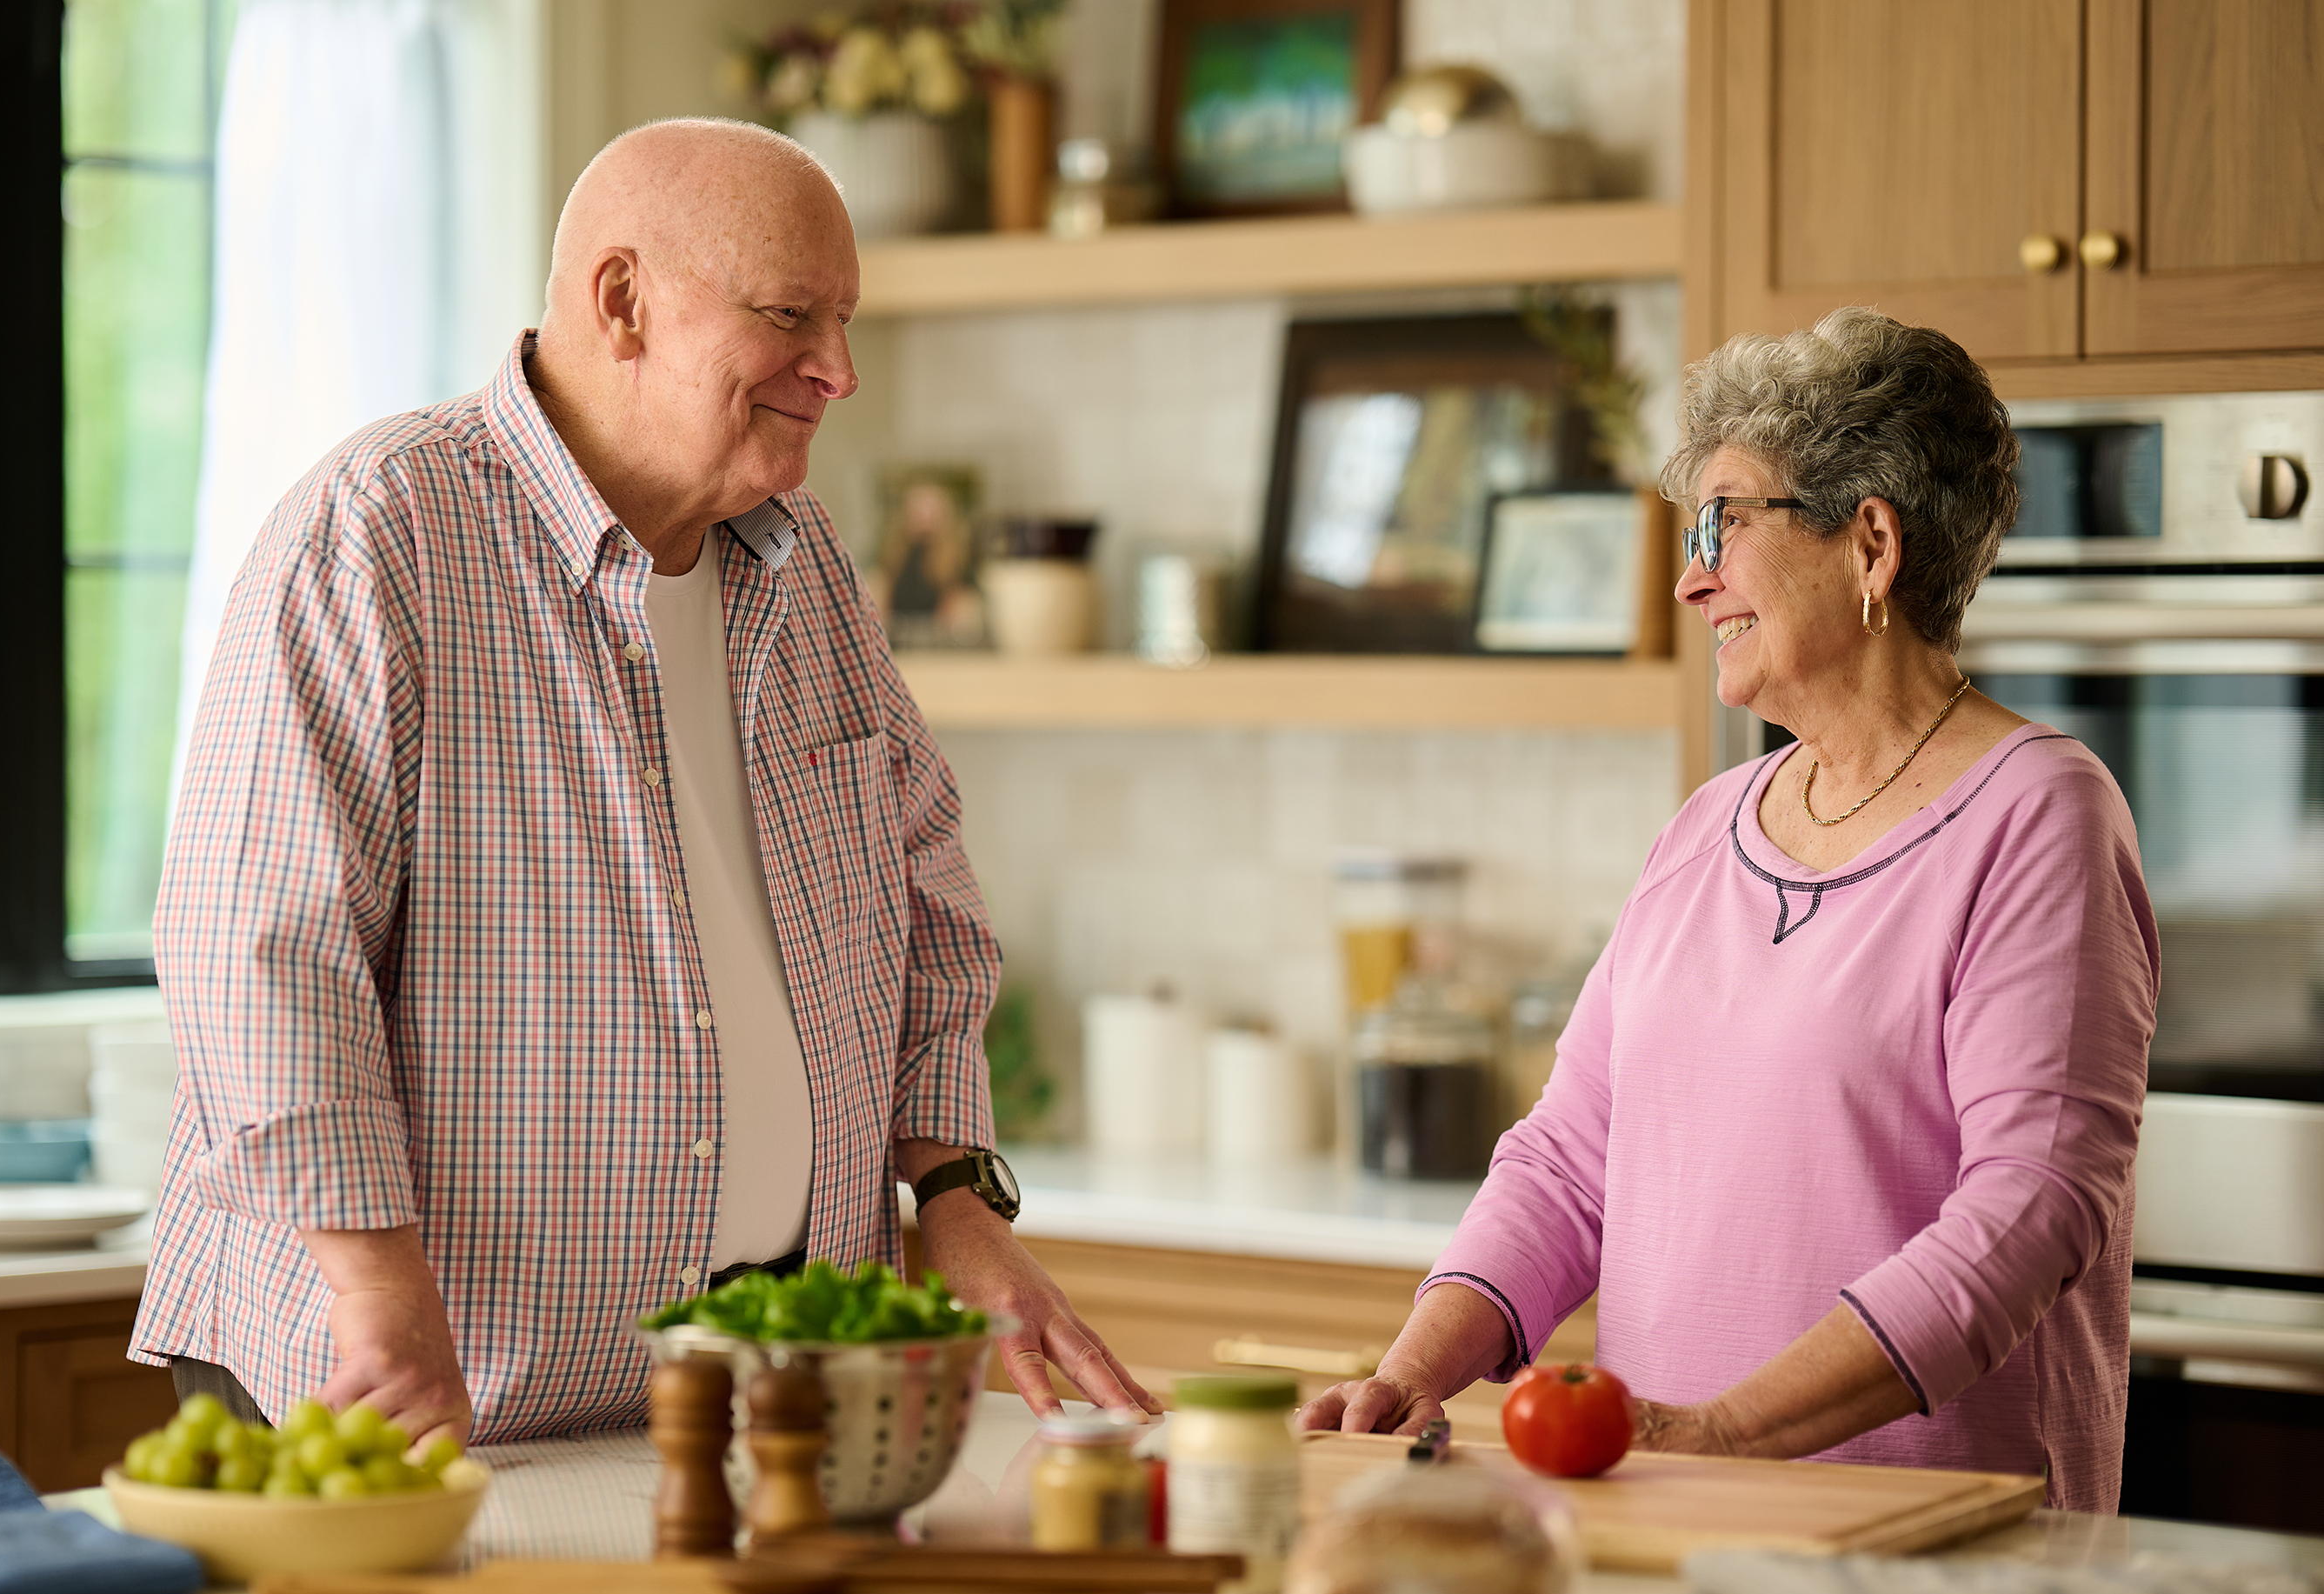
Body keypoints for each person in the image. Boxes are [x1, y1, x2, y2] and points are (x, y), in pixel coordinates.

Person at [130, 118, 1155, 1446]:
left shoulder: (809, 565)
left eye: (845, 320)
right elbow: (257, 955)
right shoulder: (378, 532)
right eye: (793, 315)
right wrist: (375, 1286)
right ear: (624, 303)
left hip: (738, 1398)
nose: (838, 371)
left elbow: (926, 903)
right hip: (408, 1390)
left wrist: (952, 1197)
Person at [1303, 308, 2158, 1512]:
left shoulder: (2039, 815)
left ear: (1870, 544)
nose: (1688, 577)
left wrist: (1725, 1433)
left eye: (1724, 523)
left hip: (1929, 1548)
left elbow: (2031, 1208)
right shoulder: (1708, 828)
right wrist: (1412, 1371)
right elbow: (1565, 1162)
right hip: (1667, 1511)